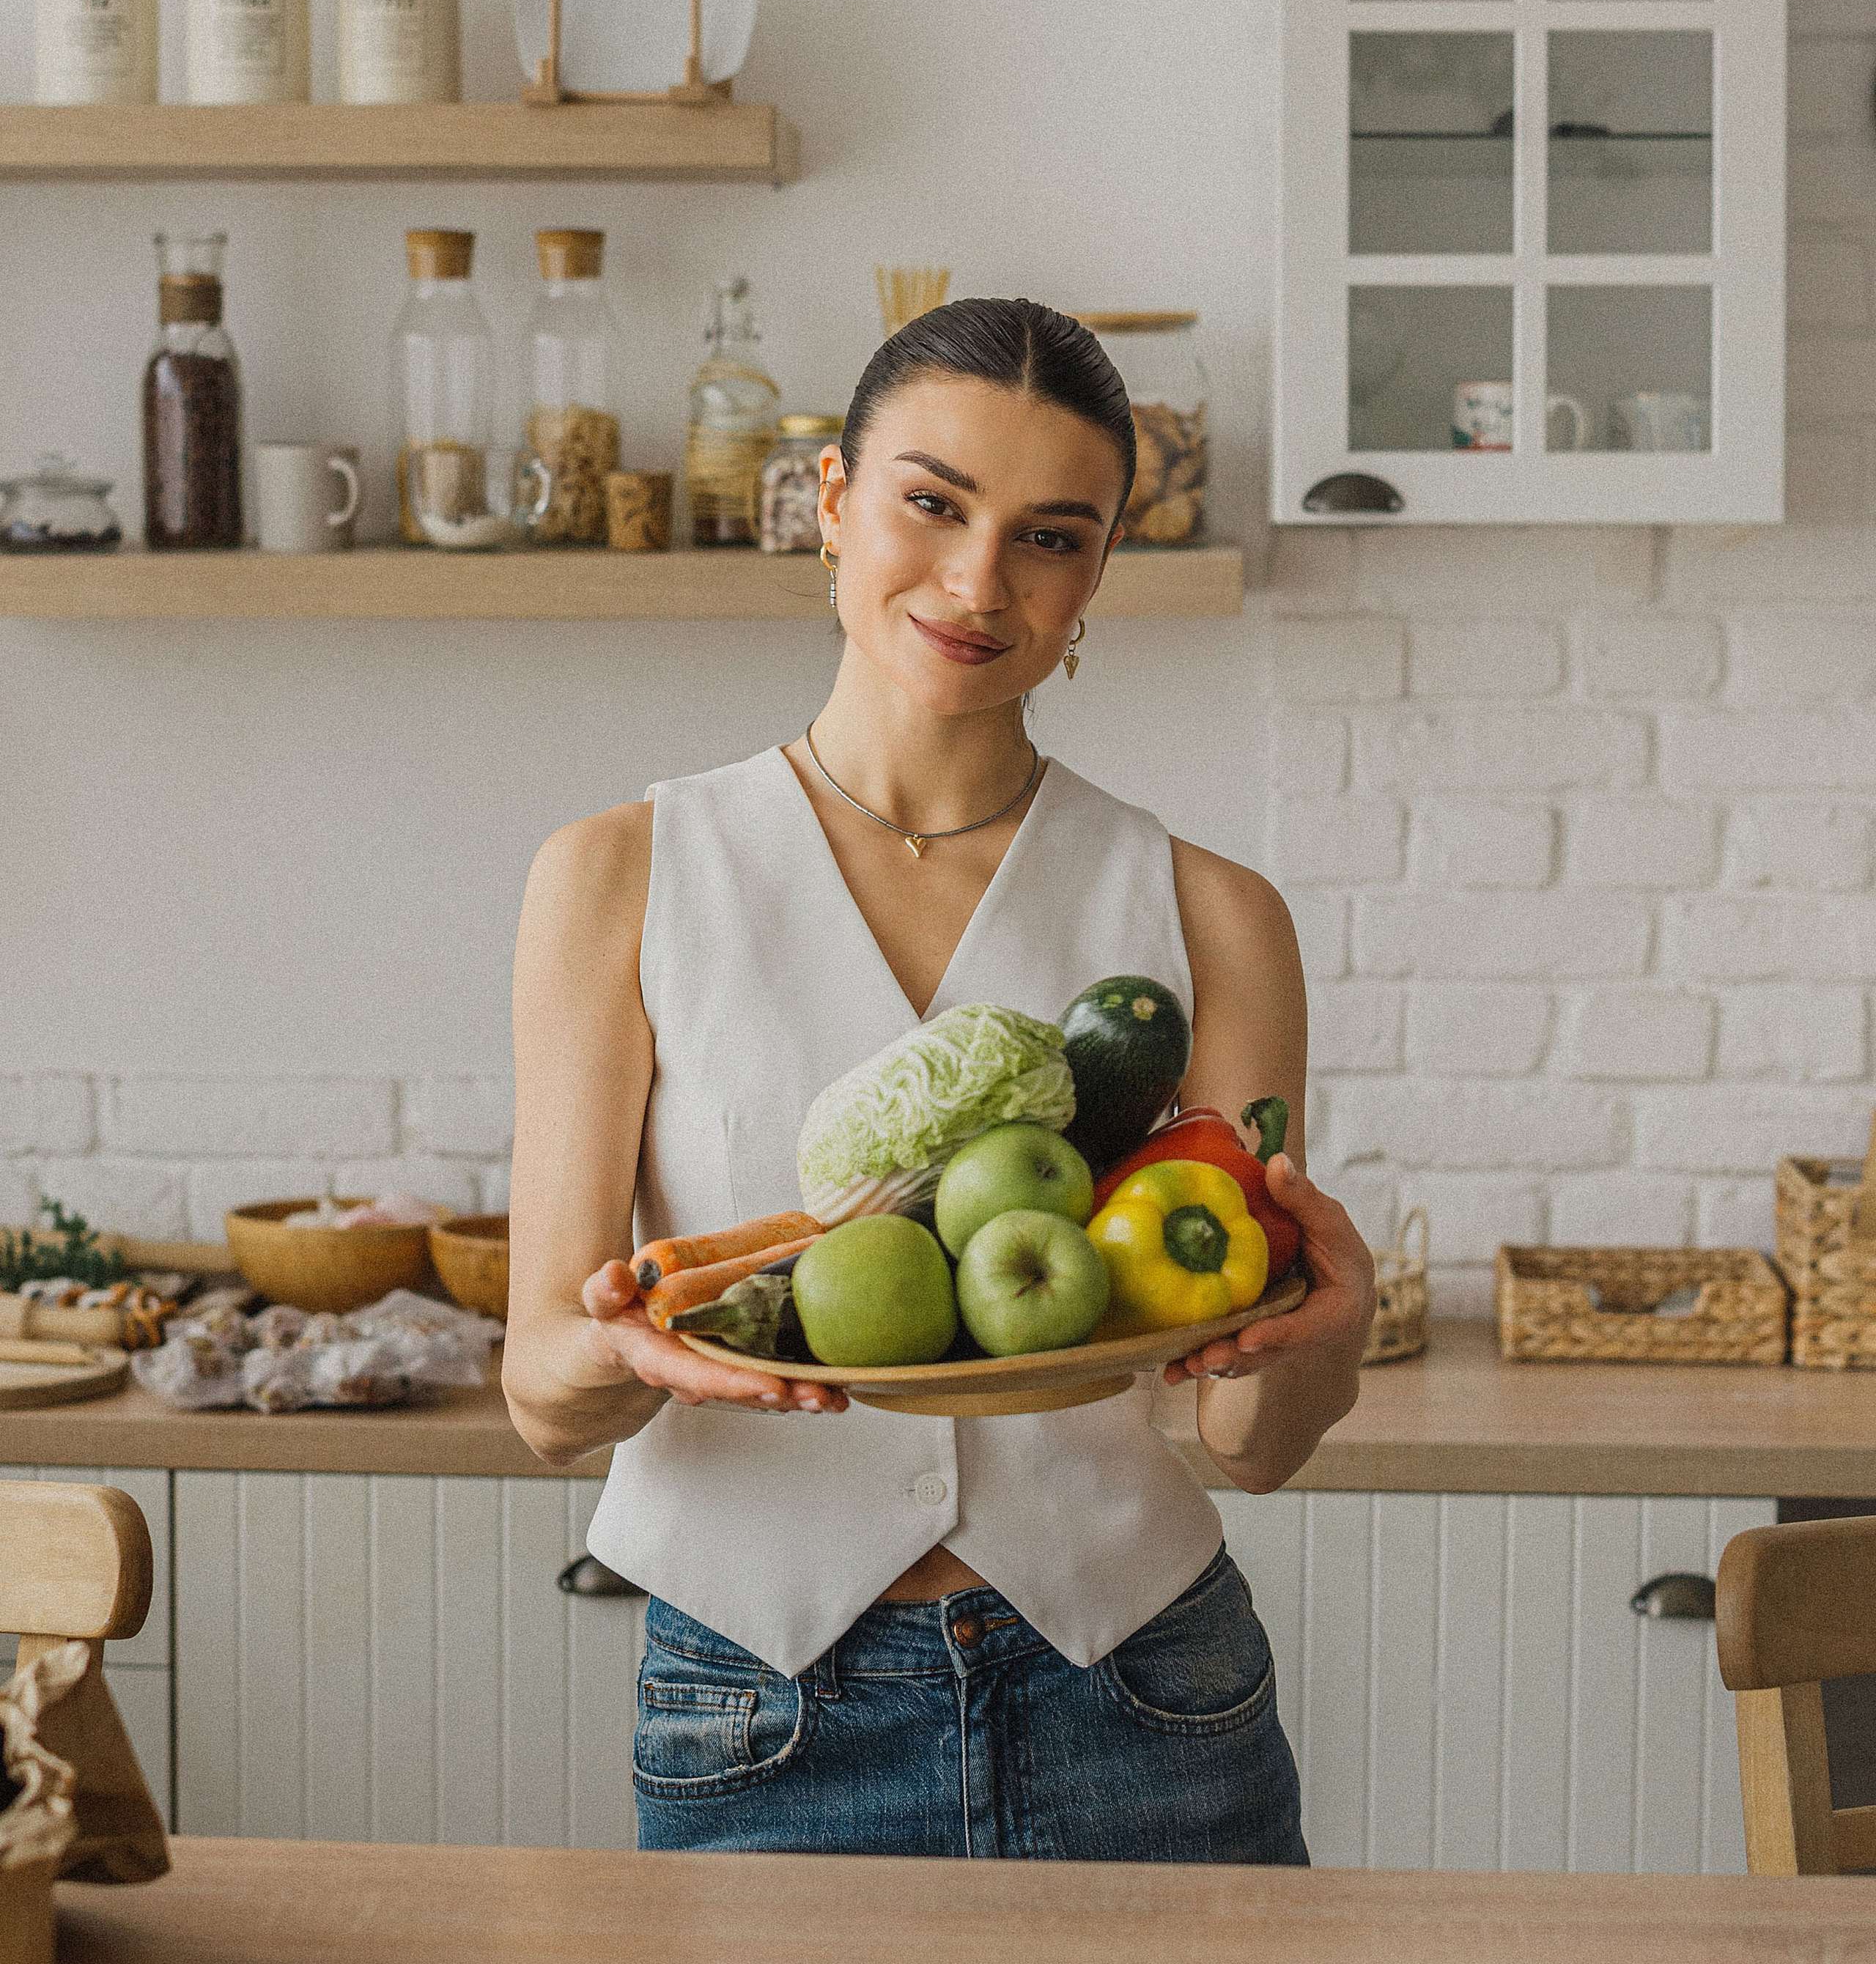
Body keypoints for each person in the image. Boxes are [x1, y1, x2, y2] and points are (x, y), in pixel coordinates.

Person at [505, 298, 1375, 1860]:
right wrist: (629, 1350)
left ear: (1096, 571)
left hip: (1145, 1699)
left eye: (1048, 536)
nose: (979, 582)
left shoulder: (1213, 918)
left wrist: (1334, 1326)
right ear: (831, 500)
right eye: (931, 504)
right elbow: (539, 1398)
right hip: (756, 1711)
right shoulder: (619, 878)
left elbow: (1247, 1441)